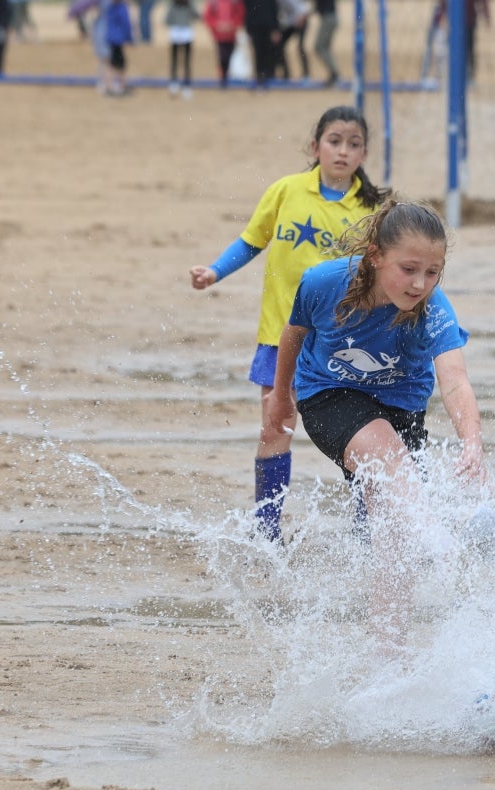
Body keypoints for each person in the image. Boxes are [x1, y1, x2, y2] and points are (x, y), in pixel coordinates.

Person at [267, 200, 486, 642]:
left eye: (432, 272)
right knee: (391, 461)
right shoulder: (323, 282)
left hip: (402, 410)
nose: (420, 284)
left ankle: (388, 651)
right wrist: (280, 394)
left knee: (394, 532)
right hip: (329, 394)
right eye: (408, 269)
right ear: (375, 257)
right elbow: (294, 333)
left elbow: (455, 380)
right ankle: (440, 540)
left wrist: (472, 441)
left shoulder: (434, 309)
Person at [188, 107, 390, 543]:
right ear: (315, 147)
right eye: (334, 141)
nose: (343, 151)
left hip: (342, 344)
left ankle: (366, 531)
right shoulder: (285, 191)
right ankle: (266, 531)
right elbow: (251, 241)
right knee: (275, 426)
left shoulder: (372, 209)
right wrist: (215, 272)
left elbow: (386, 274)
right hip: (279, 337)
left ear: (364, 154)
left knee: (359, 435)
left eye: (353, 144)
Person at [201, 0, 244, 87]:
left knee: (229, 57)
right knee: (222, 57)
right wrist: (217, 25)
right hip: (219, 36)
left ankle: (226, 75)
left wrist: (232, 25)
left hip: (231, 35)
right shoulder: (213, 3)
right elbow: (207, 17)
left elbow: (240, 15)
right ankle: (222, 77)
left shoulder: (235, 3)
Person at [165, 0, 198, 98]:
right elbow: (167, 19)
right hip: (176, 33)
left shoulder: (189, 4)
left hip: (186, 33)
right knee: (175, 60)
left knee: (186, 61)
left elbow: (196, 16)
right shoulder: (173, 4)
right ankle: (174, 83)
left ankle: (186, 84)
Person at [243, 0, 280, 86]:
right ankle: (260, 76)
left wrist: (275, 29)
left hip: (269, 28)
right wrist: (248, 28)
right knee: (258, 53)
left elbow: (274, 10)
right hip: (255, 28)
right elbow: (246, 10)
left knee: (270, 53)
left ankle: (270, 76)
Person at [103, 0, 133, 96]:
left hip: (111, 38)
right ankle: (120, 86)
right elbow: (126, 23)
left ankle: (112, 85)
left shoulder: (111, 6)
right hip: (118, 39)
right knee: (119, 63)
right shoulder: (121, 7)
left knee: (113, 62)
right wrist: (130, 39)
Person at [274, 0, 310, 81]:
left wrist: (301, 18)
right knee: (279, 45)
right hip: (290, 23)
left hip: (301, 20)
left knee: (300, 47)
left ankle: (306, 74)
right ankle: (286, 73)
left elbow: (305, 9)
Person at [312, 0, 339, 86]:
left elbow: (318, 7)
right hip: (330, 18)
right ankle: (333, 73)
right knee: (324, 48)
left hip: (328, 18)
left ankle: (334, 73)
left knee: (319, 47)